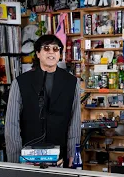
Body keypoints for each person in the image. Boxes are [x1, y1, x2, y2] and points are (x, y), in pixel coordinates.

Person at [5, 35, 81, 168]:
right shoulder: (20, 82)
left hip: (60, 157)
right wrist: (15, 160)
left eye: (56, 49)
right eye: (46, 48)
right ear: (38, 54)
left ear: (60, 54)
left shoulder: (72, 82)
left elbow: (74, 121)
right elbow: (12, 124)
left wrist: (73, 154)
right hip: (27, 157)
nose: (51, 52)